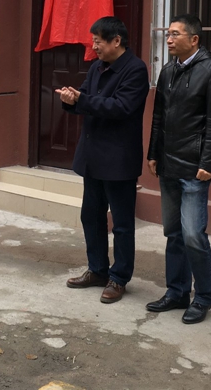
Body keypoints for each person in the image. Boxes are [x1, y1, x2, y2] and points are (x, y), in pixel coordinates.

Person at [57, 16, 150, 304]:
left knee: (121, 223)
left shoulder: (135, 70)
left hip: (118, 159)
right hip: (93, 156)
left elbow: (121, 107)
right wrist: (71, 99)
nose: (94, 46)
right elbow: (85, 97)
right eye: (93, 41)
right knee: (91, 216)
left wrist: (81, 100)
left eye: (98, 41)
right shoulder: (97, 67)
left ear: (116, 41)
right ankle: (97, 269)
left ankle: (119, 277)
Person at [146, 14, 211, 324]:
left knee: (193, 234)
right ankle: (177, 291)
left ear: (194, 39)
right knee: (173, 233)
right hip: (168, 164)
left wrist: (209, 162)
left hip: (194, 167)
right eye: (168, 34)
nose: (168, 39)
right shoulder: (168, 71)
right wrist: (153, 153)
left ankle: (204, 297)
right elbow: (158, 117)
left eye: (175, 34)